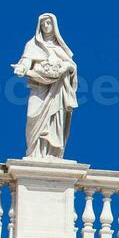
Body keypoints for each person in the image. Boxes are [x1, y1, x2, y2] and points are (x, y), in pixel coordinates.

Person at [12, 13, 78, 160]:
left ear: (54, 25)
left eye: (48, 23)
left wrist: (66, 67)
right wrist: (21, 68)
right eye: (43, 24)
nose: (45, 26)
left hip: (56, 91)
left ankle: (50, 153)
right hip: (38, 87)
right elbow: (25, 61)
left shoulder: (60, 49)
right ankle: (34, 152)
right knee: (32, 116)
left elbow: (72, 66)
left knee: (54, 119)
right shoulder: (32, 45)